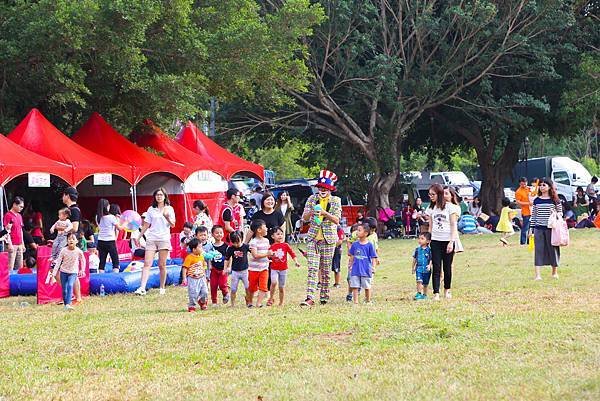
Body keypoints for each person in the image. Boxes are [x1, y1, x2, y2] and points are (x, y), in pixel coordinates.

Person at [300, 170, 342, 307]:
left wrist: (325, 213)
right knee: (312, 268)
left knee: (325, 269)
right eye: (320, 188)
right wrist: (311, 212)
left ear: (330, 189)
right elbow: (304, 219)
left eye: (325, 188)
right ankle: (309, 297)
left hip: (328, 239)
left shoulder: (336, 201)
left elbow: (336, 220)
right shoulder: (311, 199)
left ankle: (324, 296)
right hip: (313, 238)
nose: (322, 190)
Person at [134, 188, 176, 296]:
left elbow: (173, 225)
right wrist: (139, 237)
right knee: (147, 263)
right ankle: (142, 287)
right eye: (157, 195)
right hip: (152, 238)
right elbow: (146, 224)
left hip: (163, 238)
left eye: (161, 195)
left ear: (165, 196)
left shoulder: (169, 209)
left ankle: (162, 287)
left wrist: (166, 217)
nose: (159, 197)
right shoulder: (151, 209)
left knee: (162, 265)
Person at [424, 184, 459, 300]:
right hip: (435, 240)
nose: (430, 196)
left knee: (447, 267)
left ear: (439, 194)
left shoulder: (450, 207)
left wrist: (451, 241)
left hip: (447, 240)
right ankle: (436, 293)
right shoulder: (431, 208)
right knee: (436, 267)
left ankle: (447, 290)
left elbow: (454, 225)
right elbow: (430, 226)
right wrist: (428, 240)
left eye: (433, 194)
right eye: (429, 194)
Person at [531, 178, 562, 280]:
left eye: (544, 185)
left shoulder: (555, 200)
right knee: (538, 250)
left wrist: (555, 213)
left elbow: (560, 213)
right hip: (539, 228)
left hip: (551, 229)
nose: (542, 187)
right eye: (541, 185)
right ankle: (537, 275)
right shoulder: (537, 200)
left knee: (553, 250)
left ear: (549, 187)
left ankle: (554, 272)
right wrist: (531, 229)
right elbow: (534, 215)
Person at [51, 233, 85, 311]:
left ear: (76, 241)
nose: (71, 240)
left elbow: (83, 260)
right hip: (63, 272)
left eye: (73, 239)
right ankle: (66, 304)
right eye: (69, 239)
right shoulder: (64, 250)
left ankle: (68, 304)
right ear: (67, 241)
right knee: (64, 289)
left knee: (70, 285)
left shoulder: (78, 251)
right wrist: (54, 273)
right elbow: (58, 262)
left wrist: (82, 269)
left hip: (73, 272)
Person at [267, 227, 300, 306]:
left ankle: (281, 303)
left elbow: (292, 254)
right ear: (272, 236)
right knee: (274, 282)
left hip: (283, 269)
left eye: (281, 234)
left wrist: (296, 261)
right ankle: (271, 298)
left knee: (281, 287)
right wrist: (269, 257)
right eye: (278, 234)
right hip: (274, 268)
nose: (280, 236)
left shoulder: (285, 245)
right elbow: (268, 257)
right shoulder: (271, 247)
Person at [62, 187, 83, 304]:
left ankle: (77, 297)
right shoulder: (72, 209)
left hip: (72, 243)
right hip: (70, 242)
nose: (62, 197)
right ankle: (75, 296)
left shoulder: (74, 210)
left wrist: (62, 230)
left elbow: (74, 228)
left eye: (63, 195)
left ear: (67, 196)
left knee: (72, 271)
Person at [348, 223, 378, 304]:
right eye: (357, 230)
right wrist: (350, 265)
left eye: (359, 230)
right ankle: (355, 302)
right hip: (355, 269)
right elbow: (352, 256)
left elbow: (373, 257)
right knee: (355, 286)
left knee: (367, 286)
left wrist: (373, 267)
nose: (357, 232)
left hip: (366, 269)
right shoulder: (354, 244)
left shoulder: (370, 245)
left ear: (365, 233)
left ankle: (368, 300)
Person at [96, 199, 126, 273]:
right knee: (115, 261)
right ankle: (115, 278)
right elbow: (119, 228)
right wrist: (125, 222)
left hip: (101, 241)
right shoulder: (111, 217)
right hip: (110, 241)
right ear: (107, 207)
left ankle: (101, 279)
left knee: (102, 261)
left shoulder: (98, 217)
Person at [247, 219, 272, 308]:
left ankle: (259, 303)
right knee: (252, 287)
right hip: (253, 269)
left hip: (264, 268)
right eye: (265, 227)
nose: (267, 228)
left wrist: (270, 257)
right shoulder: (253, 242)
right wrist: (267, 254)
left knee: (263, 286)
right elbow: (255, 255)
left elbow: (268, 252)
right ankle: (249, 301)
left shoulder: (266, 241)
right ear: (259, 230)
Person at [224, 231, 251, 307]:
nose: (236, 244)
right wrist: (225, 268)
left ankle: (248, 301)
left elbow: (254, 253)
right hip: (235, 272)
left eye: (237, 242)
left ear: (241, 239)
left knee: (247, 287)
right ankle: (232, 304)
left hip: (245, 271)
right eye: (234, 242)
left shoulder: (246, 247)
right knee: (233, 289)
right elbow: (227, 259)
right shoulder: (230, 249)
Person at [182, 238, 208, 312]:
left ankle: (202, 302)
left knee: (205, 291)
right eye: (199, 247)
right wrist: (184, 278)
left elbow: (203, 265)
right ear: (194, 249)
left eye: (201, 246)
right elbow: (184, 268)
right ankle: (192, 306)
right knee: (193, 293)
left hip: (202, 277)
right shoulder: (189, 258)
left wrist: (205, 275)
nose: (201, 248)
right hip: (192, 278)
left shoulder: (201, 256)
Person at [209, 225, 229, 306]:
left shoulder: (226, 246)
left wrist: (227, 267)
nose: (219, 234)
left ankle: (225, 293)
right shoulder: (211, 246)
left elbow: (228, 258)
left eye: (221, 233)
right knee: (213, 285)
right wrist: (210, 265)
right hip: (214, 269)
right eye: (217, 233)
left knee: (222, 284)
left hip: (223, 269)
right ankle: (214, 302)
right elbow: (209, 257)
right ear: (212, 234)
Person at [3, 196, 25, 270]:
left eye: (22, 207)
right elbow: (6, 231)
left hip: (19, 244)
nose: (21, 208)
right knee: (10, 267)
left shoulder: (19, 216)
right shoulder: (8, 215)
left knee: (20, 267)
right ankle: (8, 282)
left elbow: (21, 230)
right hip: (12, 244)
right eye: (20, 206)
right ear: (14, 204)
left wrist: (22, 244)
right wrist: (9, 244)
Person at [412, 232, 432, 300]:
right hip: (419, 268)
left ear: (428, 241)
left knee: (425, 283)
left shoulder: (429, 250)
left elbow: (431, 259)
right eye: (419, 238)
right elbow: (414, 259)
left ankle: (425, 294)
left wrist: (429, 265)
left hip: (426, 270)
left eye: (422, 239)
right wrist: (413, 267)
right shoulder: (417, 250)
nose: (419, 240)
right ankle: (419, 293)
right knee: (419, 281)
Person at [515, 177, 533, 245]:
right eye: (522, 184)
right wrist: (528, 203)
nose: (524, 185)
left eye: (525, 184)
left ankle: (529, 241)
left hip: (532, 210)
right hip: (526, 212)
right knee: (525, 228)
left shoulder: (529, 189)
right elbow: (518, 202)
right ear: (520, 184)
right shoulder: (518, 192)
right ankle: (523, 242)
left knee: (531, 228)